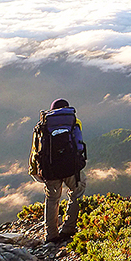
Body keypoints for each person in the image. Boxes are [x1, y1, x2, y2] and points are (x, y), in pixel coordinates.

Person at [29, 98, 87, 244]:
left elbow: (36, 149)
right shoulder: (74, 121)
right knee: (76, 192)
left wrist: (35, 170)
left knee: (52, 199)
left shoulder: (43, 125)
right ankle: (68, 228)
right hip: (71, 168)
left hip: (51, 169)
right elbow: (79, 145)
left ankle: (51, 235)